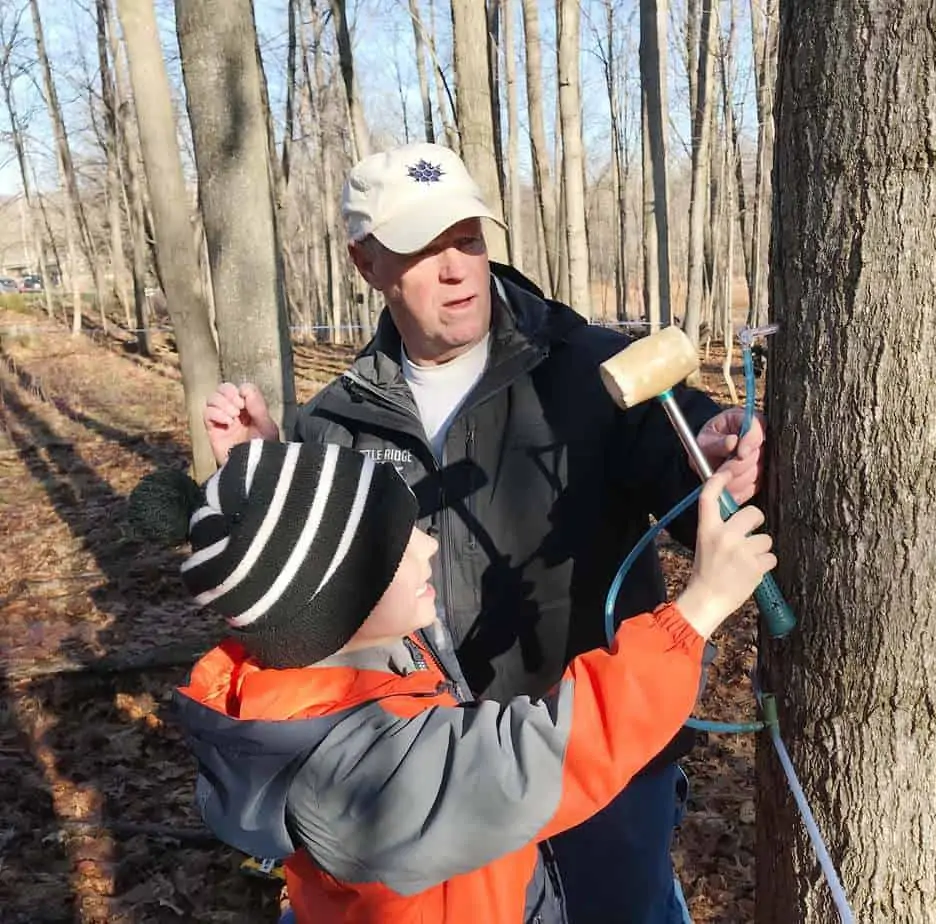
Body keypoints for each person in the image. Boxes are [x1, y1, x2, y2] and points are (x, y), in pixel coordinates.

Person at [203, 142, 766, 923]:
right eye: (423, 249)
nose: (457, 268)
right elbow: (304, 603)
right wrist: (273, 476)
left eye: (467, 238)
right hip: (435, 789)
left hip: (602, 759)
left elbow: (688, 480)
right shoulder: (334, 420)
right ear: (366, 263)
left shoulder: (589, 367)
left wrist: (711, 444)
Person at [135, 439, 774, 923]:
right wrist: (698, 610)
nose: (428, 546)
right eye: (394, 546)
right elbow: (549, 753)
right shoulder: (351, 774)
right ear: (332, 608)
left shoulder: (325, 680)